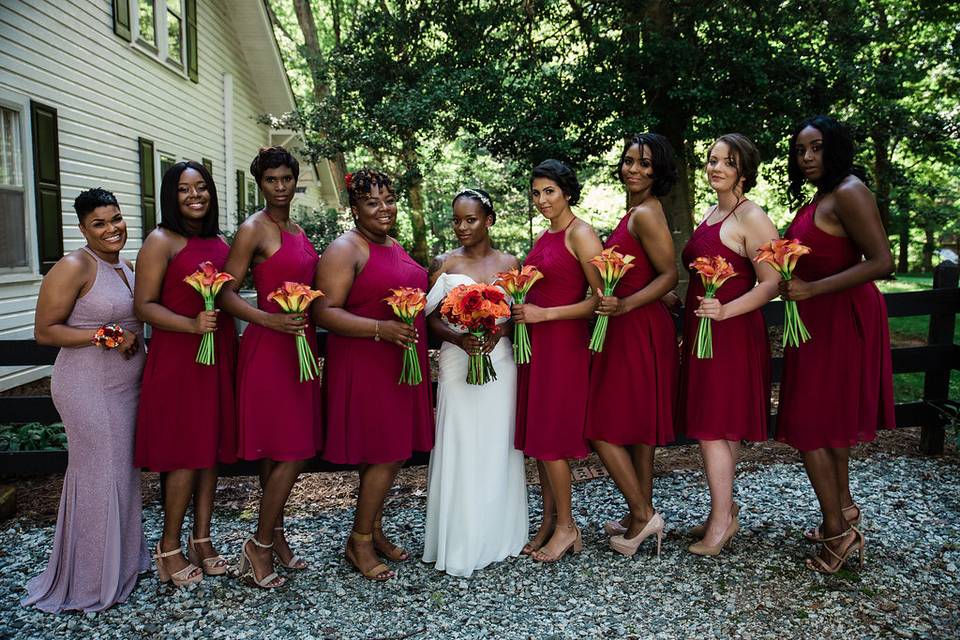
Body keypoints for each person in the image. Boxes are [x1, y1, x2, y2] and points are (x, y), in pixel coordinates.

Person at [777, 115, 895, 574]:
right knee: (826, 423)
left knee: (811, 426)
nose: (807, 157)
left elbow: (882, 261)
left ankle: (839, 534)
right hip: (815, 321)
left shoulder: (849, 190)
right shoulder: (822, 196)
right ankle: (843, 509)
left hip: (842, 318)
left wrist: (811, 290)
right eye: (800, 150)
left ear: (836, 148)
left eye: (817, 148)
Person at [23, 188, 150, 612]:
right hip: (87, 388)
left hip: (126, 389)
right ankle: (92, 581)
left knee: (122, 476)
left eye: (115, 218)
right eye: (99, 223)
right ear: (83, 229)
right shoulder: (75, 265)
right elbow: (45, 331)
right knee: (101, 478)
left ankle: (124, 562)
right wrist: (106, 335)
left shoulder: (127, 267)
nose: (111, 228)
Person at [315, 169, 433, 581]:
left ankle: (374, 530)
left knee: (389, 452)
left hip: (399, 364)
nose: (384, 209)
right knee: (386, 452)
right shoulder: (347, 249)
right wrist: (382, 329)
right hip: (367, 364)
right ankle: (359, 540)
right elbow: (324, 311)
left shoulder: (392, 244)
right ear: (354, 208)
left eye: (389, 199)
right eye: (372, 202)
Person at [219, 147, 322, 588]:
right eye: (271, 180)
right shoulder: (252, 230)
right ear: (259, 184)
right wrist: (267, 318)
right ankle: (258, 546)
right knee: (293, 449)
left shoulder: (298, 229)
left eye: (286, 179)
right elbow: (225, 293)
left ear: (295, 181)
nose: (280, 187)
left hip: (301, 344)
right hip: (267, 345)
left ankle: (275, 535)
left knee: (285, 448)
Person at [133, 161, 237, 586]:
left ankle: (202, 537)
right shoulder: (160, 241)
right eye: (183, 190)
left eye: (201, 188)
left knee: (208, 451)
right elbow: (144, 305)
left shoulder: (220, 241)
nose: (195, 196)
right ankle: (168, 545)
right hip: (180, 357)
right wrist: (191, 324)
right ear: (170, 196)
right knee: (183, 453)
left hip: (218, 354)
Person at [677, 134, 779, 556]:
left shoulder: (750, 215)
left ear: (744, 170)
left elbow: (774, 282)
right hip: (704, 331)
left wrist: (725, 312)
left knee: (714, 428)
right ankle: (725, 508)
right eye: (712, 160)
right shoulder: (711, 212)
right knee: (715, 424)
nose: (716, 168)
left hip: (731, 333)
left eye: (727, 162)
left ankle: (721, 522)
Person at [422, 188, 528, 577]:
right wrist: (458, 338)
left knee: (498, 443)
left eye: (470, 219)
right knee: (461, 442)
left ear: (489, 220)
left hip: (499, 359)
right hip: (457, 358)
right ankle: (459, 539)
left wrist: (498, 334)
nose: (462, 227)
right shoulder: (443, 263)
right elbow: (429, 318)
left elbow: (518, 312)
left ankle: (500, 535)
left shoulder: (511, 262)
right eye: (457, 220)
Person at [586, 134, 680, 557]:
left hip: (638, 326)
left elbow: (668, 275)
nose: (633, 170)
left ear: (658, 171)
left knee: (600, 426)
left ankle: (643, 515)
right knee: (640, 430)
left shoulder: (645, 214)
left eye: (644, 164)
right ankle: (638, 510)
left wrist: (626, 302)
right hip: (630, 325)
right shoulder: (634, 212)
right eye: (628, 161)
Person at [513, 159, 604, 563]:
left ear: (567, 191)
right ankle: (550, 521)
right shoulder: (546, 234)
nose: (542, 199)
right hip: (537, 345)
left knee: (552, 441)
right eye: (536, 192)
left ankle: (568, 527)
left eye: (549, 191)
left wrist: (544, 315)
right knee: (539, 442)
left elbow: (601, 302)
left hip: (563, 345)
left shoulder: (581, 234)